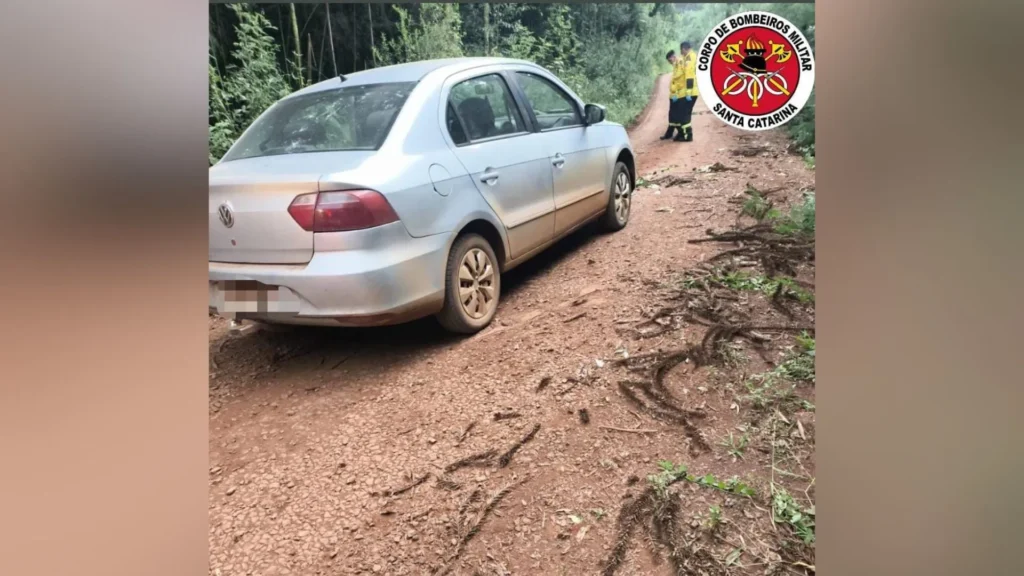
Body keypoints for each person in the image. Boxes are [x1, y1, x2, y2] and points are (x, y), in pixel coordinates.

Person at [674, 41, 700, 142]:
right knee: (684, 113)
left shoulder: (690, 58)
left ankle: (688, 135)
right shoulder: (687, 57)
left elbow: (689, 76)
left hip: (690, 91)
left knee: (685, 113)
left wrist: (688, 92)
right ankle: (685, 134)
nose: (681, 52)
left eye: (681, 50)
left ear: (684, 49)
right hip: (688, 91)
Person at [662, 50, 684, 140]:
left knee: (675, 115)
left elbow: (681, 81)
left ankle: (681, 133)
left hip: (679, 94)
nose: (669, 63)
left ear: (673, 57)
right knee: (672, 114)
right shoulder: (675, 65)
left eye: (670, 61)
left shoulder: (680, 64)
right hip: (674, 94)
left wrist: (677, 94)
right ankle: (669, 133)